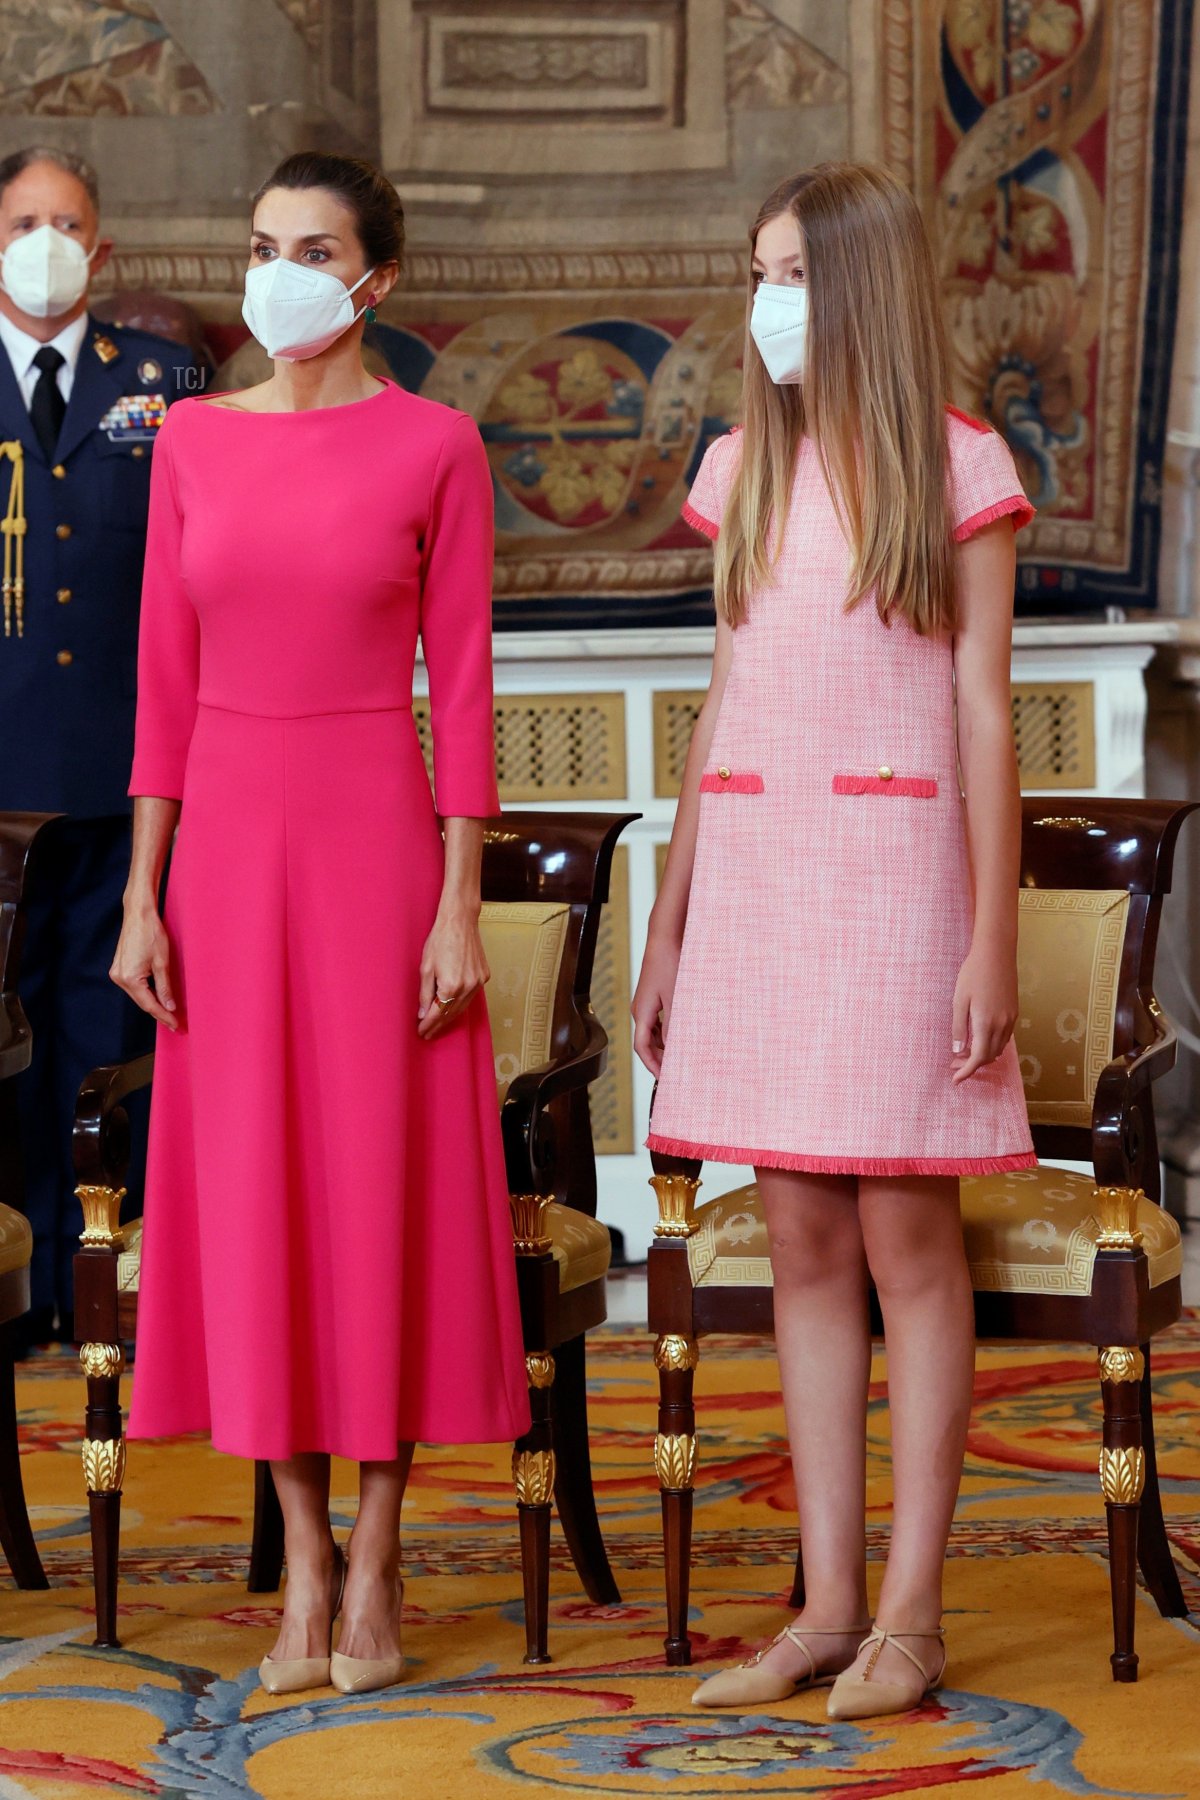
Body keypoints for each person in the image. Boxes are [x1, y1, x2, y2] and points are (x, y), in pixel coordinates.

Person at [109, 152, 530, 1697]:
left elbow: (468, 690)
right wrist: (144, 895)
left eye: (316, 249)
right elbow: (159, 692)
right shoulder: (194, 445)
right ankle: (298, 1569)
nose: (281, 272)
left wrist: (459, 905)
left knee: (373, 1199)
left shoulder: (435, 446)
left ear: (377, 282)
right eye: (263, 245)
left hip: (373, 851)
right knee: (258, 1205)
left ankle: (379, 1559)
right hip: (222, 853)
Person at [634, 163, 1036, 1722]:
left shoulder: (959, 467)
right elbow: (723, 697)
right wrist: (670, 914)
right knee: (797, 1237)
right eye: (756, 272)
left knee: (902, 1242)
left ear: (859, 284)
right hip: (757, 877)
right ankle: (826, 1606)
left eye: (793, 271)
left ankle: (915, 1619)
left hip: (893, 885)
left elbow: (988, 712)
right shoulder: (740, 466)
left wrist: (989, 936)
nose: (767, 301)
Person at [0, 146, 202, 1349]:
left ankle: (100, 1281)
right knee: (7, 1037)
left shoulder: (167, 384)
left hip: (127, 774)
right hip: (1, 782)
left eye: (66, 221)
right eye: (23, 219)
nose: (44, 240)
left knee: (106, 1023)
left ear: (102, 247)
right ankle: (15, 1280)